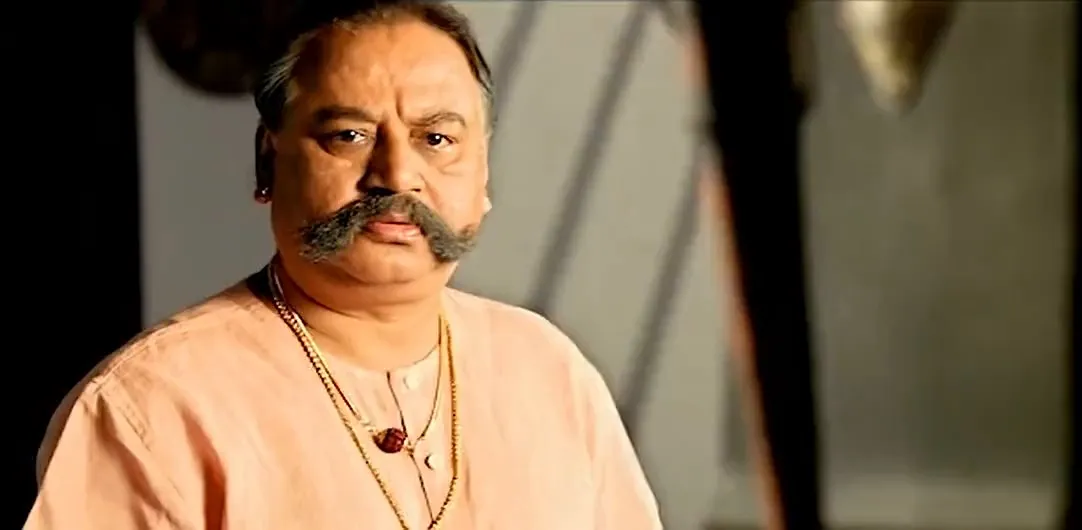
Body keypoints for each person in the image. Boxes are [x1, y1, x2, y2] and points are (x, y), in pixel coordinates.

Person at [25, 2, 661, 529]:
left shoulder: (548, 371)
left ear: (483, 173)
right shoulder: (152, 406)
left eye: (437, 139)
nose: (397, 174)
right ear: (268, 160)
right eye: (349, 136)